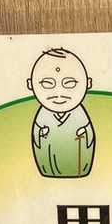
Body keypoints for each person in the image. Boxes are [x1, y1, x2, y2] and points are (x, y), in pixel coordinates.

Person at [28, 49, 95, 177]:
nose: (59, 93)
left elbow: (89, 134)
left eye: (69, 83)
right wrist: (40, 133)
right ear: (30, 84)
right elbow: (36, 136)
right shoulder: (43, 115)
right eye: (47, 84)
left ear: (88, 83)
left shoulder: (80, 113)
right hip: (49, 162)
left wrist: (84, 131)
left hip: (78, 163)